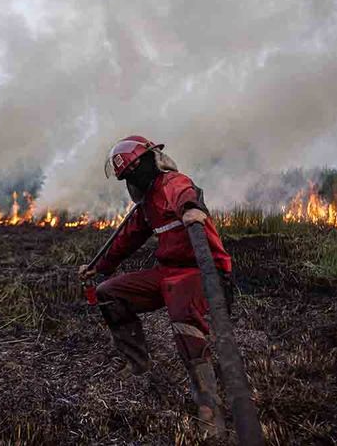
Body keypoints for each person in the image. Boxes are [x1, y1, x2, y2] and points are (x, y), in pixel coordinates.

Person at [77, 135, 232, 436]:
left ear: (148, 163)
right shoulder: (147, 204)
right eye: (127, 178)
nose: (131, 181)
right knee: (110, 293)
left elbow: (186, 193)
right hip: (170, 272)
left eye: (132, 173)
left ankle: (208, 409)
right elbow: (126, 239)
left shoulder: (173, 183)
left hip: (202, 272)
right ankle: (138, 366)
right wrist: (99, 268)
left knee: (183, 314)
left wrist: (190, 209)